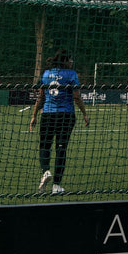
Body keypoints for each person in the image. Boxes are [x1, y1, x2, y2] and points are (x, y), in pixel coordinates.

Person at [29, 48, 90, 195]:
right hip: (66, 116)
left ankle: (46, 171)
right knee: (61, 149)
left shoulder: (46, 74)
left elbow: (41, 97)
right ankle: (56, 186)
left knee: (44, 146)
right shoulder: (72, 75)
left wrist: (34, 115)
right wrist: (84, 114)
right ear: (64, 60)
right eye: (70, 59)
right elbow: (77, 97)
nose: (72, 62)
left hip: (48, 115)